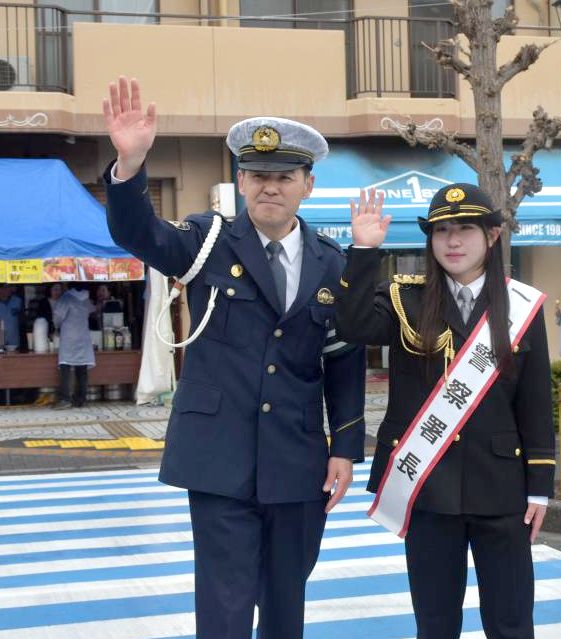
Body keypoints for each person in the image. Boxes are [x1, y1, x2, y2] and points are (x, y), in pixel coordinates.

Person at [102, 77, 366, 639]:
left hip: (297, 462)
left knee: (286, 603)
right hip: (218, 458)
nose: (271, 187)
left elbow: (343, 361)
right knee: (224, 607)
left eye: (285, 177)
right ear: (241, 181)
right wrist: (131, 165)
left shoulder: (332, 263)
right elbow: (138, 233)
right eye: (259, 175)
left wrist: (345, 448)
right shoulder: (206, 241)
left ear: (308, 185)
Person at [336, 184, 556, 639]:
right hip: (428, 484)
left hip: (502, 487)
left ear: (492, 236)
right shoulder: (405, 299)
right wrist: (363, 251)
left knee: (511, 620)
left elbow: (535, 402)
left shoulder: (521, 305)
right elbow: (352, 325)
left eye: (465, 229)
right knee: (435, 622)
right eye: (441, 231)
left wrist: (540, 488)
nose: (452, 241)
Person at [52, 282, 95, 409]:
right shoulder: (86, 299)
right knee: (82, 367)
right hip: (83, 336)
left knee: (65, 367)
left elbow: (57, 317)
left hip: (69, 337)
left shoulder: (65, 298)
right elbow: (92, 310)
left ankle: (65, 399)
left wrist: (56, 327)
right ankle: (81, 399)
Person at [0, 285, 22, 351]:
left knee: (13, 357)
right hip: (0, 337)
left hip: (13, 340)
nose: (7, 290)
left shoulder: (17, 300)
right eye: (4, 288)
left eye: (8, 287)